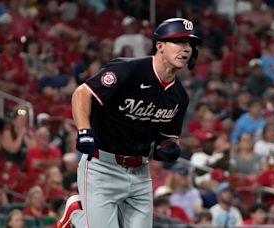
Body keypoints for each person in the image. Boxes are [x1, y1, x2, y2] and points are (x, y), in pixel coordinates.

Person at [57, 18, 202, 228]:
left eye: (189, 43)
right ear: (160, 46)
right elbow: (82, 93)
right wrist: (84, 131)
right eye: (178, 41)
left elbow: (168, 138)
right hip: (102, 166)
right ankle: (76, 215)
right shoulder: (128, 69)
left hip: (140, 172)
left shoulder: (179, 96)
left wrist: (168, 148)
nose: (186, 48)